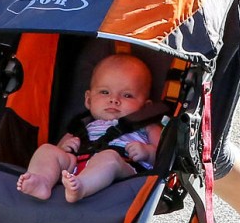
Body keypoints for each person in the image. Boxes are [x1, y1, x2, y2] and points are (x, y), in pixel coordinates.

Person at [17, 54, 161, 203]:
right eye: (105, 92)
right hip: (76, 167)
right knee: (47, 149)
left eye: (127, 95)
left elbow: (165, 155)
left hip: (124, 170)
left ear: (146, 107)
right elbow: (58, 151)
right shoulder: (82, 126)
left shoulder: (147, 126)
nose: (114, 99)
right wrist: (64, 148)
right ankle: (42, 180)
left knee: (109, 157)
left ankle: (82, 188)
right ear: (88, 99)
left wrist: (148, 153)